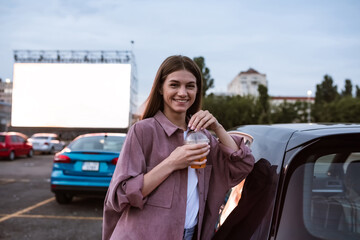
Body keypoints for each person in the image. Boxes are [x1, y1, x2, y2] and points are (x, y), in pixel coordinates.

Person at [102, 55, 255, 240]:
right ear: (160, 88)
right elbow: (119, 196)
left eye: (190, 86)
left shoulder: (204, 137)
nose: (182, 93)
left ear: (197, 90)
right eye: (174, 85)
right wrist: (172, 163)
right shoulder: (142, 131)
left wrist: (217, 127)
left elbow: (241, 166)